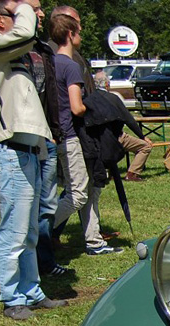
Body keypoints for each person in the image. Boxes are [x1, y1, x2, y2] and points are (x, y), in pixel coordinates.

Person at [0, 0, 67, 320]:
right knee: (15, 229)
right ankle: (11, 296)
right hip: (8, 151)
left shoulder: (10, 49)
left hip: (29, 151)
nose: (38, 17)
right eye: (15, 13)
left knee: (30, 230)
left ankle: (31, 290)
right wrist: (24, 5)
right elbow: (24, 34)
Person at [51, 11, 117, 255]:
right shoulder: (70, 66)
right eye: (78, 31)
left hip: (54, 136)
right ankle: (40, 231)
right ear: (70, 34)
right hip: (71, 135)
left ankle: (92, 240)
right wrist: (99, 106)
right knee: (78, 194)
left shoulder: (50, 62)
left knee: (77, 190)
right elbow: (77, 107)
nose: (80, 35)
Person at [25, 0, 72, 276]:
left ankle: (45, 262)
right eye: (34, 8)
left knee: (47, 205)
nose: (41, 14)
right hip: (21, 142)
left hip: (48, 140)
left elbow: (51, 97)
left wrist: (55, 133)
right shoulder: (5, 53)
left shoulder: (44, 51)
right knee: (25, 210)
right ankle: (26, 271)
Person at [93, 71, 152, 181]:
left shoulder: (90, 98)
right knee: (145, 147)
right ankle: (132, 174)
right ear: (107, 84)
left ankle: (109, 171)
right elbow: (128, 119)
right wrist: (142, 136)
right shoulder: (113, 98)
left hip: (96, 138)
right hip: (115, 138)